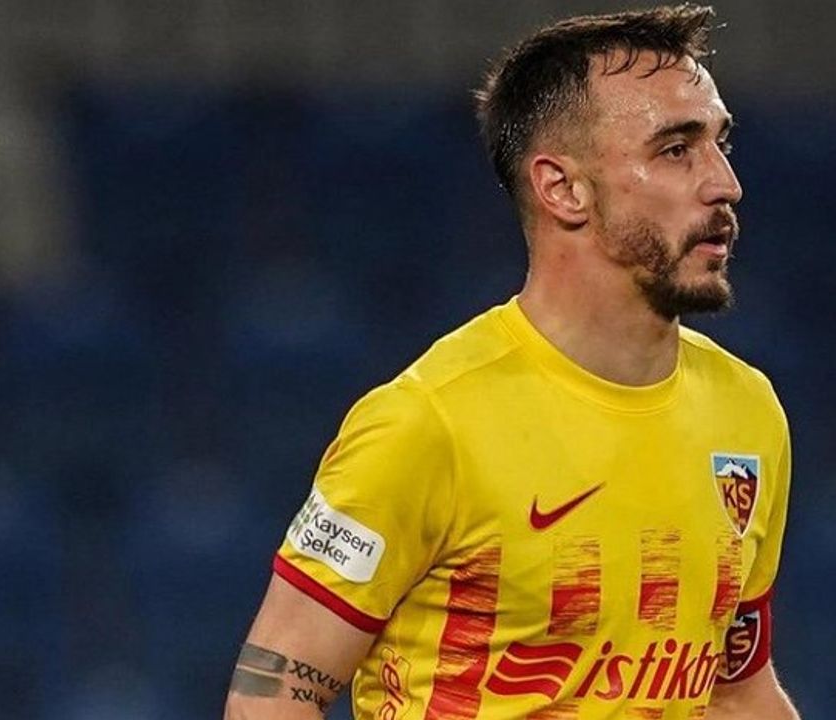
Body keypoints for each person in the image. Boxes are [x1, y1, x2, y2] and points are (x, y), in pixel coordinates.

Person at [224, 5, 799, 719]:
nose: (725, 184)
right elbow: (271, 693)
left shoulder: (747, 412)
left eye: (721, 143)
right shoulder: (427, 424)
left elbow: (736, 692)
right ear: (563, 188)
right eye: (676, 149)